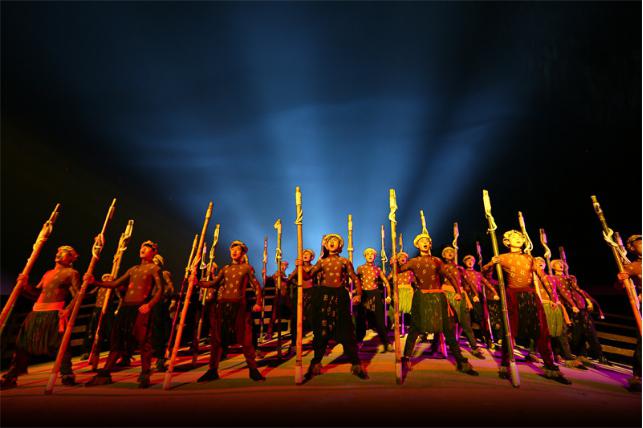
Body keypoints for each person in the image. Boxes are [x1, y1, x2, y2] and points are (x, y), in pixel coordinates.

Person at [483, 230, 571, 384]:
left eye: (520, 237)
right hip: (513, 296)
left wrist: (553, 297)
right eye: (514, 237)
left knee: (542, 330)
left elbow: (542, 277)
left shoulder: (530, 258)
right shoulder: (503, 257)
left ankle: (550, 367)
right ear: (507, 242)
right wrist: (491, 263)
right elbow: (485, 273)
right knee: (510, 331)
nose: (518, 239)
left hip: (531, 296)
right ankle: (505, 364)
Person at [397, 233, 478, 376]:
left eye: (427, 241)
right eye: (422, 241)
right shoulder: (413, 262)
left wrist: (458, 292)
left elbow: (449, 276)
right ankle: (406, 358)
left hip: (438, 297)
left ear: (430, 244)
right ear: (417, 245)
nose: (425, 242)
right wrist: (394, 263)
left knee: (447, 329)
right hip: (421, 297)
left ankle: (461, 362)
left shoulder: (437, 260)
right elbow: (398, 271)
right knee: (415, 328)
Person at [85, 240, 163, 388]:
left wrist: (149, 305)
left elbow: (160, 289)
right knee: (117, 341)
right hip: (125, 309)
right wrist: (95, 282)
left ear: (154, 252)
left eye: (147, 248)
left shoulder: (154, 268)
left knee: (144, 342)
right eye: (141, 247)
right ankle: (105, 374)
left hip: (141, 308)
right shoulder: (133, 269)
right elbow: (115, 284)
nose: (142, 249)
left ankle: (145, 374)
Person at [1, 246, 81, 390]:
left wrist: (68, 310)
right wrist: (25, 285)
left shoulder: (72, 273)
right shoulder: (47, 274)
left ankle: (67, 375)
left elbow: (78, 295)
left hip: (55, 313)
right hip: (36, 312)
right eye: (58, 252)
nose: (59, 254)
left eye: (64, 252)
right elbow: (36, 293)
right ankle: (12, 376)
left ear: (71, 258)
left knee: (61, 344)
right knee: (22, 344)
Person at [298, 234, 368, 380]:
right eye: (329, 241)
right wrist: (300, 267)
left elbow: (355, 278)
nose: (332, 242)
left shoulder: (344, 261)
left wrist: (359, 294)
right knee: (321, 331)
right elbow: (308, 276)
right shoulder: (321, 262)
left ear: (340, 246)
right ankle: (315, 364)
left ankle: (356, 364)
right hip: (323, 296)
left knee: (346, 330)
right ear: (326, 245)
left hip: (340, 296)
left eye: (335, 241)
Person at [193, 241, 265, 382]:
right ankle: (212, 370)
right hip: (223, 307)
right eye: (232, 249)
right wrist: (197, 282)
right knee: (216, 340)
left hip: (239, 307)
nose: (234, 252)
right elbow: (213, 283)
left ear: (242, 253)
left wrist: (258, 302)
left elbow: (256, 286)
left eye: (237, 250)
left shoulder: (246, 268)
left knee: (246, 340)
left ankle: (253, 370)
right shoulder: (225, 269)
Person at [553, 259, 607, 366]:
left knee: (588, 329)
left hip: (579, 305)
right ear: (553, 267)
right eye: (558, 264)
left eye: (562, 264)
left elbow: (577, 289)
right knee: (569, 331)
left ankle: (597, 355)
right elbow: (558, 292)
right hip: (565, 306)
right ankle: (560, 353)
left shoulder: (570, 278)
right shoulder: (553, 278)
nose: (561, 265)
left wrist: (587, 300)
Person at [441, 247, 485, 359]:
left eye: (452, 252)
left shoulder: (460, 268)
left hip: (460, 295)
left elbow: (468, 281)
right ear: (443, 256)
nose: (450, 253)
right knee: (449, 322)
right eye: (447, 252)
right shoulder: (441, 267)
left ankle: (474, 347)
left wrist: (475, 294)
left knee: (465, 322)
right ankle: (447, 346)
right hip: (446, 294)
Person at [356, 248, 393, 352]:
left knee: (380, 320)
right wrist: (355, 293)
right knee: (361, 319)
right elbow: (356, 281)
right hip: (364, 294)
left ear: (375, 257)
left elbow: (386, 282)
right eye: (368, 254)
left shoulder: (377, 269)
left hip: (375, 294)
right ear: (365, 256)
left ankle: (386, 342)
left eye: (372, 254)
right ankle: (359, 341)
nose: (370, 255)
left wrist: (389, 296)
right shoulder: (360, 268)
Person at [617, 234, 642, 392]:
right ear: (632, 248)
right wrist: (622, 280)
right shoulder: (633, 266)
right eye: (641, 243)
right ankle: (638, 375)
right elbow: (620, 286)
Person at [462, 254, 499, 349]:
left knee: (480, 319)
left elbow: (487, 283)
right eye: (468, 261)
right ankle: (467, 339)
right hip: (466, 296)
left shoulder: (478, 274)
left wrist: (495, 293)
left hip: (477, 297)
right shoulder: (462, 272)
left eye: (472, 261)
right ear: (465, 263)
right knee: (466, 319)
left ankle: (487, 340)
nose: (470, 262)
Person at [151, 254, 174, 372]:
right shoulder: (151, 274)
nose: (154, 261)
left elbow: (170, 287)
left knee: (159, 329)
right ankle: (157, 356)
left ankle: (161, 358)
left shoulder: (163, 273)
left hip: (160, 303)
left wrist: (165, 298)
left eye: (156, 260)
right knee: (153, 331)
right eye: (153, 259)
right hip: (151, 303)